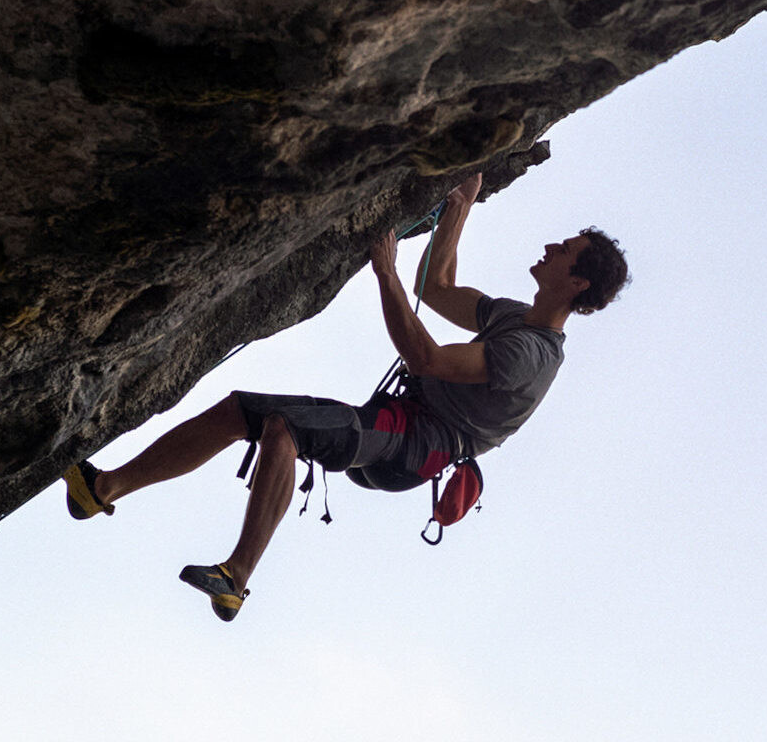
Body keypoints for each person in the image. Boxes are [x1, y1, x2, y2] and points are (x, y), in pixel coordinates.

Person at [59, 172, 629, 620]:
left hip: (416, 445)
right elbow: (438, 288)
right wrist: (462, 204)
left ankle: (235, 579)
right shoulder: (514, 317)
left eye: (566, 249)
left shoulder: (531, 354)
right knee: (241, 410)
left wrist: (385, 272)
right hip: (397, 423)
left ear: (577, 282)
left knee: (284, 427)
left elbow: (426, 358)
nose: (552, 245)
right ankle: (100, 489)